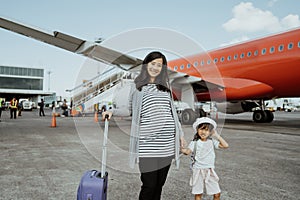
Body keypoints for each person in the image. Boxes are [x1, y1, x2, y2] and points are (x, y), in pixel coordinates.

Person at [129, 51, 185, 200]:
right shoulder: (137, 87)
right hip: (148, 145)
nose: (155, 67)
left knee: (159, 185)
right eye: (153, 63)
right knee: (149, 185)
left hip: (166, 145)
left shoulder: (165, 88)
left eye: (159, 65)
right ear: (146, 64)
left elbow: (173, 114)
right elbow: (128, 108)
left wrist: (181, 137)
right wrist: (109, 112)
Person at [181, 117, 229, 200]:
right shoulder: (194, 142)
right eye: (201, 129)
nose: (203, 132)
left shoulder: (212, 141)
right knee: (198, 194)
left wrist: (216, 135)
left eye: (206, 130)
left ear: (210, 132)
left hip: (209, 170)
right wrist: (181, 149)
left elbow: (225, 145)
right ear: (197, 130)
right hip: (198, 170)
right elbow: (187, 151)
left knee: (217, 193)